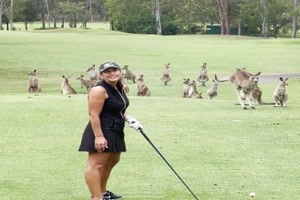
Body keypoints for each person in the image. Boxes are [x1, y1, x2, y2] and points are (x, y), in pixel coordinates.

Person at [79, 61, 143, 200]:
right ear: (101, 75)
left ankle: (102, 192)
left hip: (116, 128)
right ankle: (96, 197)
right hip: (102, 129)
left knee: (112, 161)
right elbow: (93, 114)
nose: (112, 73)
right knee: (97, 164)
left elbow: (118, 109)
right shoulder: (99, 90)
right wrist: (99, 136)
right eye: (107, 72)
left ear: (120, 72)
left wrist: (129, 118)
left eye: (115, 70)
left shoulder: (120, 87)